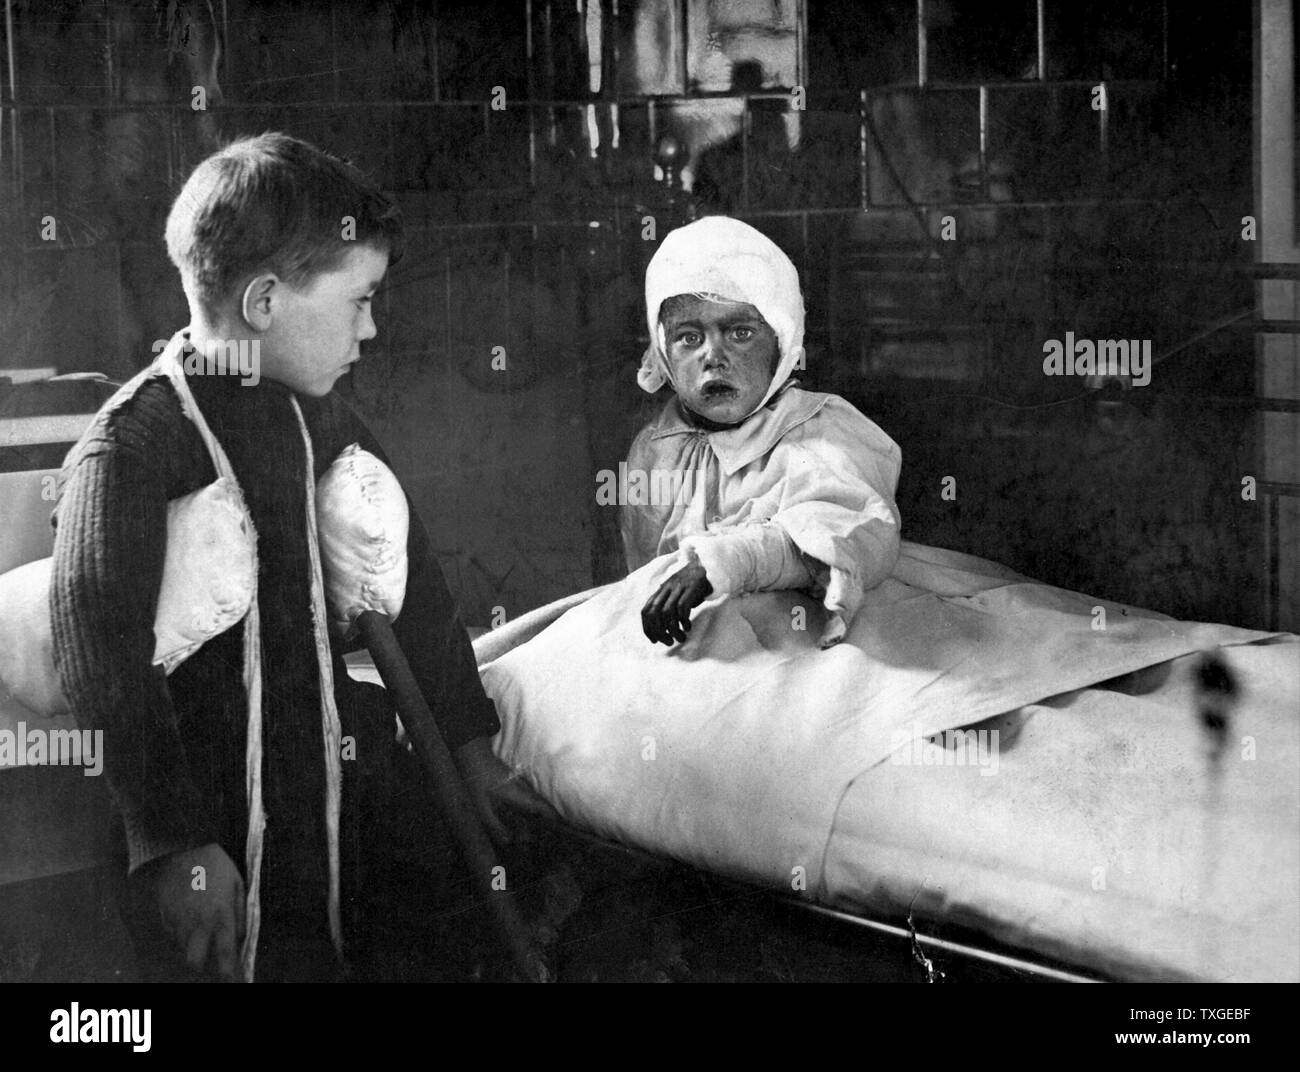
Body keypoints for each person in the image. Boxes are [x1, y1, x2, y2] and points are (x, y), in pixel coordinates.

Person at [49, 132, 531, 983]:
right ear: (267, 302)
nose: (372, 327)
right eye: (359, 301)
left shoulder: (327, 418)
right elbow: (101, 656)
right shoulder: (136, 443)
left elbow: (419, 594)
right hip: (203, 846)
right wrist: (172, 844)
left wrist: (468, 746)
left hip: (328, 811)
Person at [625, 215, 902, 650]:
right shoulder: (657, 447)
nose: (713, 356)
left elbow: (851, 534)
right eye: (688, 337)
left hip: (795, 638)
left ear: (781, 340)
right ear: (662, 350)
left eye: (740, 332)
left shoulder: (818, 432)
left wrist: (728, 562)